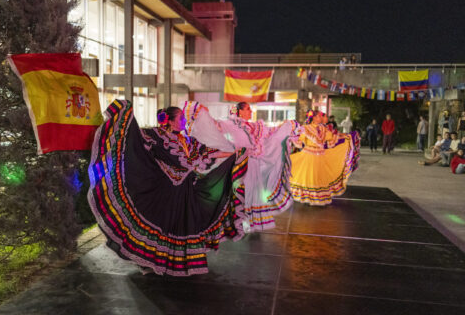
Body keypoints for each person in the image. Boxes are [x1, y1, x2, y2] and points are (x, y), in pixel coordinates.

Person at [88, 100, 247, 276]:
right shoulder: (157, 136)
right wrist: (126, 115)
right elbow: (137, 142)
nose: (184, 123)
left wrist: (236, 153)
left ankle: (176, 262)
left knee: (180, 227)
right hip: (164, 191)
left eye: (184, 120)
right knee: (160, 227)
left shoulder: (188, 140)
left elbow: (210, 152)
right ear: (170, 121)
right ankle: (149, 261)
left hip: (185, 191)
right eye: (181, 119)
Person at [183, 101, 301, 232]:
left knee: (253, 190)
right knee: (242, 191)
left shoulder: (253, 126)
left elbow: (271, 133)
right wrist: (203, 113)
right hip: (241, 164)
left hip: (253, 164)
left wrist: (286, 127)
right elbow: (213, 127)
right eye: (248, 109)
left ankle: (249, 220)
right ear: (240, 111)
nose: (251, 111)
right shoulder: (229, 124)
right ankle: (238, 220)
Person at [290, 111, 356, 206]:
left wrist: (346, 137)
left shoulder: (323, 128)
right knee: (310, 176)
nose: (320, 118)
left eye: (320, 116)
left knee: (319, 176)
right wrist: (293, 138)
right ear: (314, 118)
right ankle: (309, 198)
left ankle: (317, 198)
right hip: (309, 155)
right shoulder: (306, 128)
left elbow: (331, 138)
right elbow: (300, 143)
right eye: (318, 116)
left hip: (320, 155)